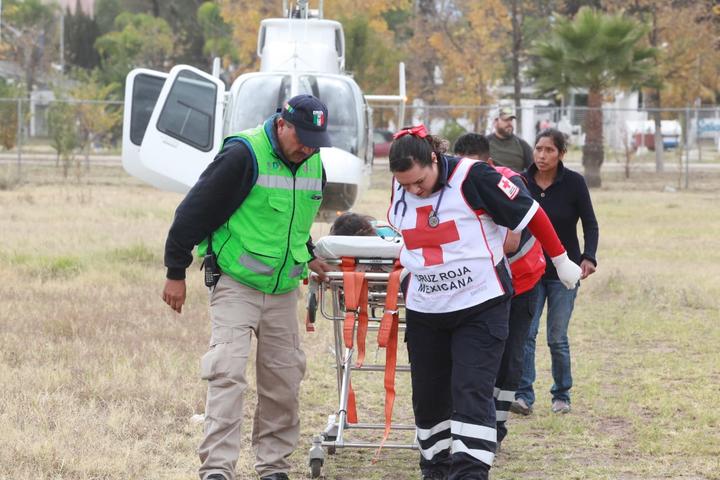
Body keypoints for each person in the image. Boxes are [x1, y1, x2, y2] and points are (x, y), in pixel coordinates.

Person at [387, 124, 582, 480]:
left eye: (420, 182)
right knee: (429, 401)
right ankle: (435, 470)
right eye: (406, 185)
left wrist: (560, 259)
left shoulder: (473, 177)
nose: (414, 190)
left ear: (434, 158)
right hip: (426, 310)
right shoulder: (403, 184)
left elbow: (530, 214)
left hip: (479, 307)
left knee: (471, 393)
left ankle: (469, 474)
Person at [161, 94, 332, 480]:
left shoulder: (314, 162)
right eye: (302, 137)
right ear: (282, 124)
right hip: (236, 284)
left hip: (284, 290)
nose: (308, 147)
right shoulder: (243, 155)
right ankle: (218, 469)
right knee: (227, 375)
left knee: (283, 380)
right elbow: (192, 212)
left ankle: (273, 467)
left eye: (315, 140)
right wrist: (176, 271)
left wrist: (308, 253)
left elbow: (294, 222)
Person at [453, 132, 547, 447]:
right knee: (479, 353)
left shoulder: (509, 184)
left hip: (521, 280)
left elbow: (510, 242)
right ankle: (473, 421)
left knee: (510, 354)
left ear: (490, 163)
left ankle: (497, 427)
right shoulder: (452, 184)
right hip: (483, 282)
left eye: (476, 169)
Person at [513, 128, 599, 416]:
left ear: (561, 154)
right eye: (538, 148)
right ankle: (523, 395)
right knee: (526, 334)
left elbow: (590, 223)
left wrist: (589, 258)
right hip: (529, 271)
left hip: (565, 273)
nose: (542, 155)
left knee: (557, 337)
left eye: (549, 150)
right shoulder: (521, 182)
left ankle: (561, 394)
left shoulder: (574, 183)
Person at [486, 106, 533, 173]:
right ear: (495, 122)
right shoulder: (485, 143)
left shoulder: (522, 144)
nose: (509, 123)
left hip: (516, 181)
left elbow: (533, 168)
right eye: (505, 120)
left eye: (511, 120)